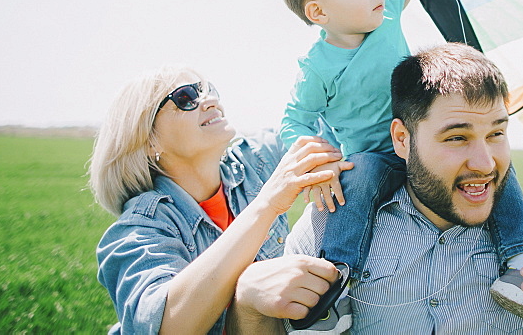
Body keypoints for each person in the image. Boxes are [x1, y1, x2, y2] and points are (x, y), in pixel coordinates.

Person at [275, 0, 523, 331]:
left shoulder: (386, 13)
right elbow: (295, 119)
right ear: (318, 11)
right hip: (376, 156)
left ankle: (521, 260)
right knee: (353, 180)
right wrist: (319, 161)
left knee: (496, 167)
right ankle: (335, 285)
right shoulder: (315, 69)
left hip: (425, 145)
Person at [280, 43, 523, 335]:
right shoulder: (329, 227)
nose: (485, 163)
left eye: (496, 134)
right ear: (403, 139)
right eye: (458, 137)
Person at [88, 65, 354, 334]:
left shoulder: (255, 161)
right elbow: (167, 327)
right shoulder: (139, 230)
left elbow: (343, 124)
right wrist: (267, 203)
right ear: (149, 141)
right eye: (186, 97)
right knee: (250, 284)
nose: (210, 100)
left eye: (208, 90)